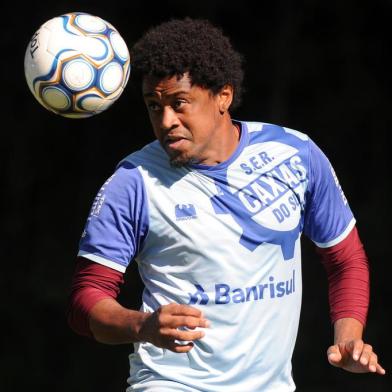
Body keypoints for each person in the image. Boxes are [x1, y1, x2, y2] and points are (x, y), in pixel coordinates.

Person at [68, 18, 385, 391]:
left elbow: (345, 259)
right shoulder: (133, 183)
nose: (166, 121)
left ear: (223, 96)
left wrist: (348, 335)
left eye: (179, 103)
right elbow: (85, 300)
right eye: (154, 106)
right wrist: (143, 326)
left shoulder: (294, 155)